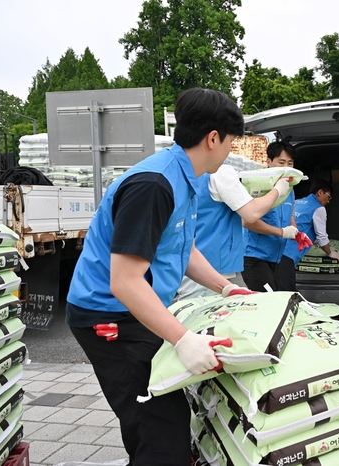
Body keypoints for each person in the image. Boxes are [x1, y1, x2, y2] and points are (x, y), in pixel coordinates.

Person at [66, 88, 256, 466]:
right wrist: (183, 340)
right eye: (231, 141)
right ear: (213, 138)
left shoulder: (186, 177)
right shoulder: (154, 184)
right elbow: (125, 281)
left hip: (132, 311)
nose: (231, 150)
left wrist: (226, 286)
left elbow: (182, 249)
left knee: (163, 420)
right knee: (158, 433)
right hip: (110, 317)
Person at [175, 160, 291, 300]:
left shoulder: (187, 172)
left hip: (200, 265)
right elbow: (251, 213)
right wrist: (277, 191)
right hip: (211, 270)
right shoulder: (221, 173)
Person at [241, 140, 298, 291]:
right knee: (267, 302)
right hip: (255, 256)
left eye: (290, 163)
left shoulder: (290, 189)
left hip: (277, 257)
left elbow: (290, 218)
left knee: (282, 300)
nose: (286, 167)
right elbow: (247, 221)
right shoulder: (258, 186)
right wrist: (281, 232)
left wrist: (296, 232)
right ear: (269, 162)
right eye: (281, 162)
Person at [275, 178, 339, 291]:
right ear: (320, 192)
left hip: (276, 252)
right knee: (287, 296)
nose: (329, 201)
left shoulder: (297, 201)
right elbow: (322, 237)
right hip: (288, 256)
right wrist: (330, 253)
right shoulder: (319, 208)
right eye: (329, 197)